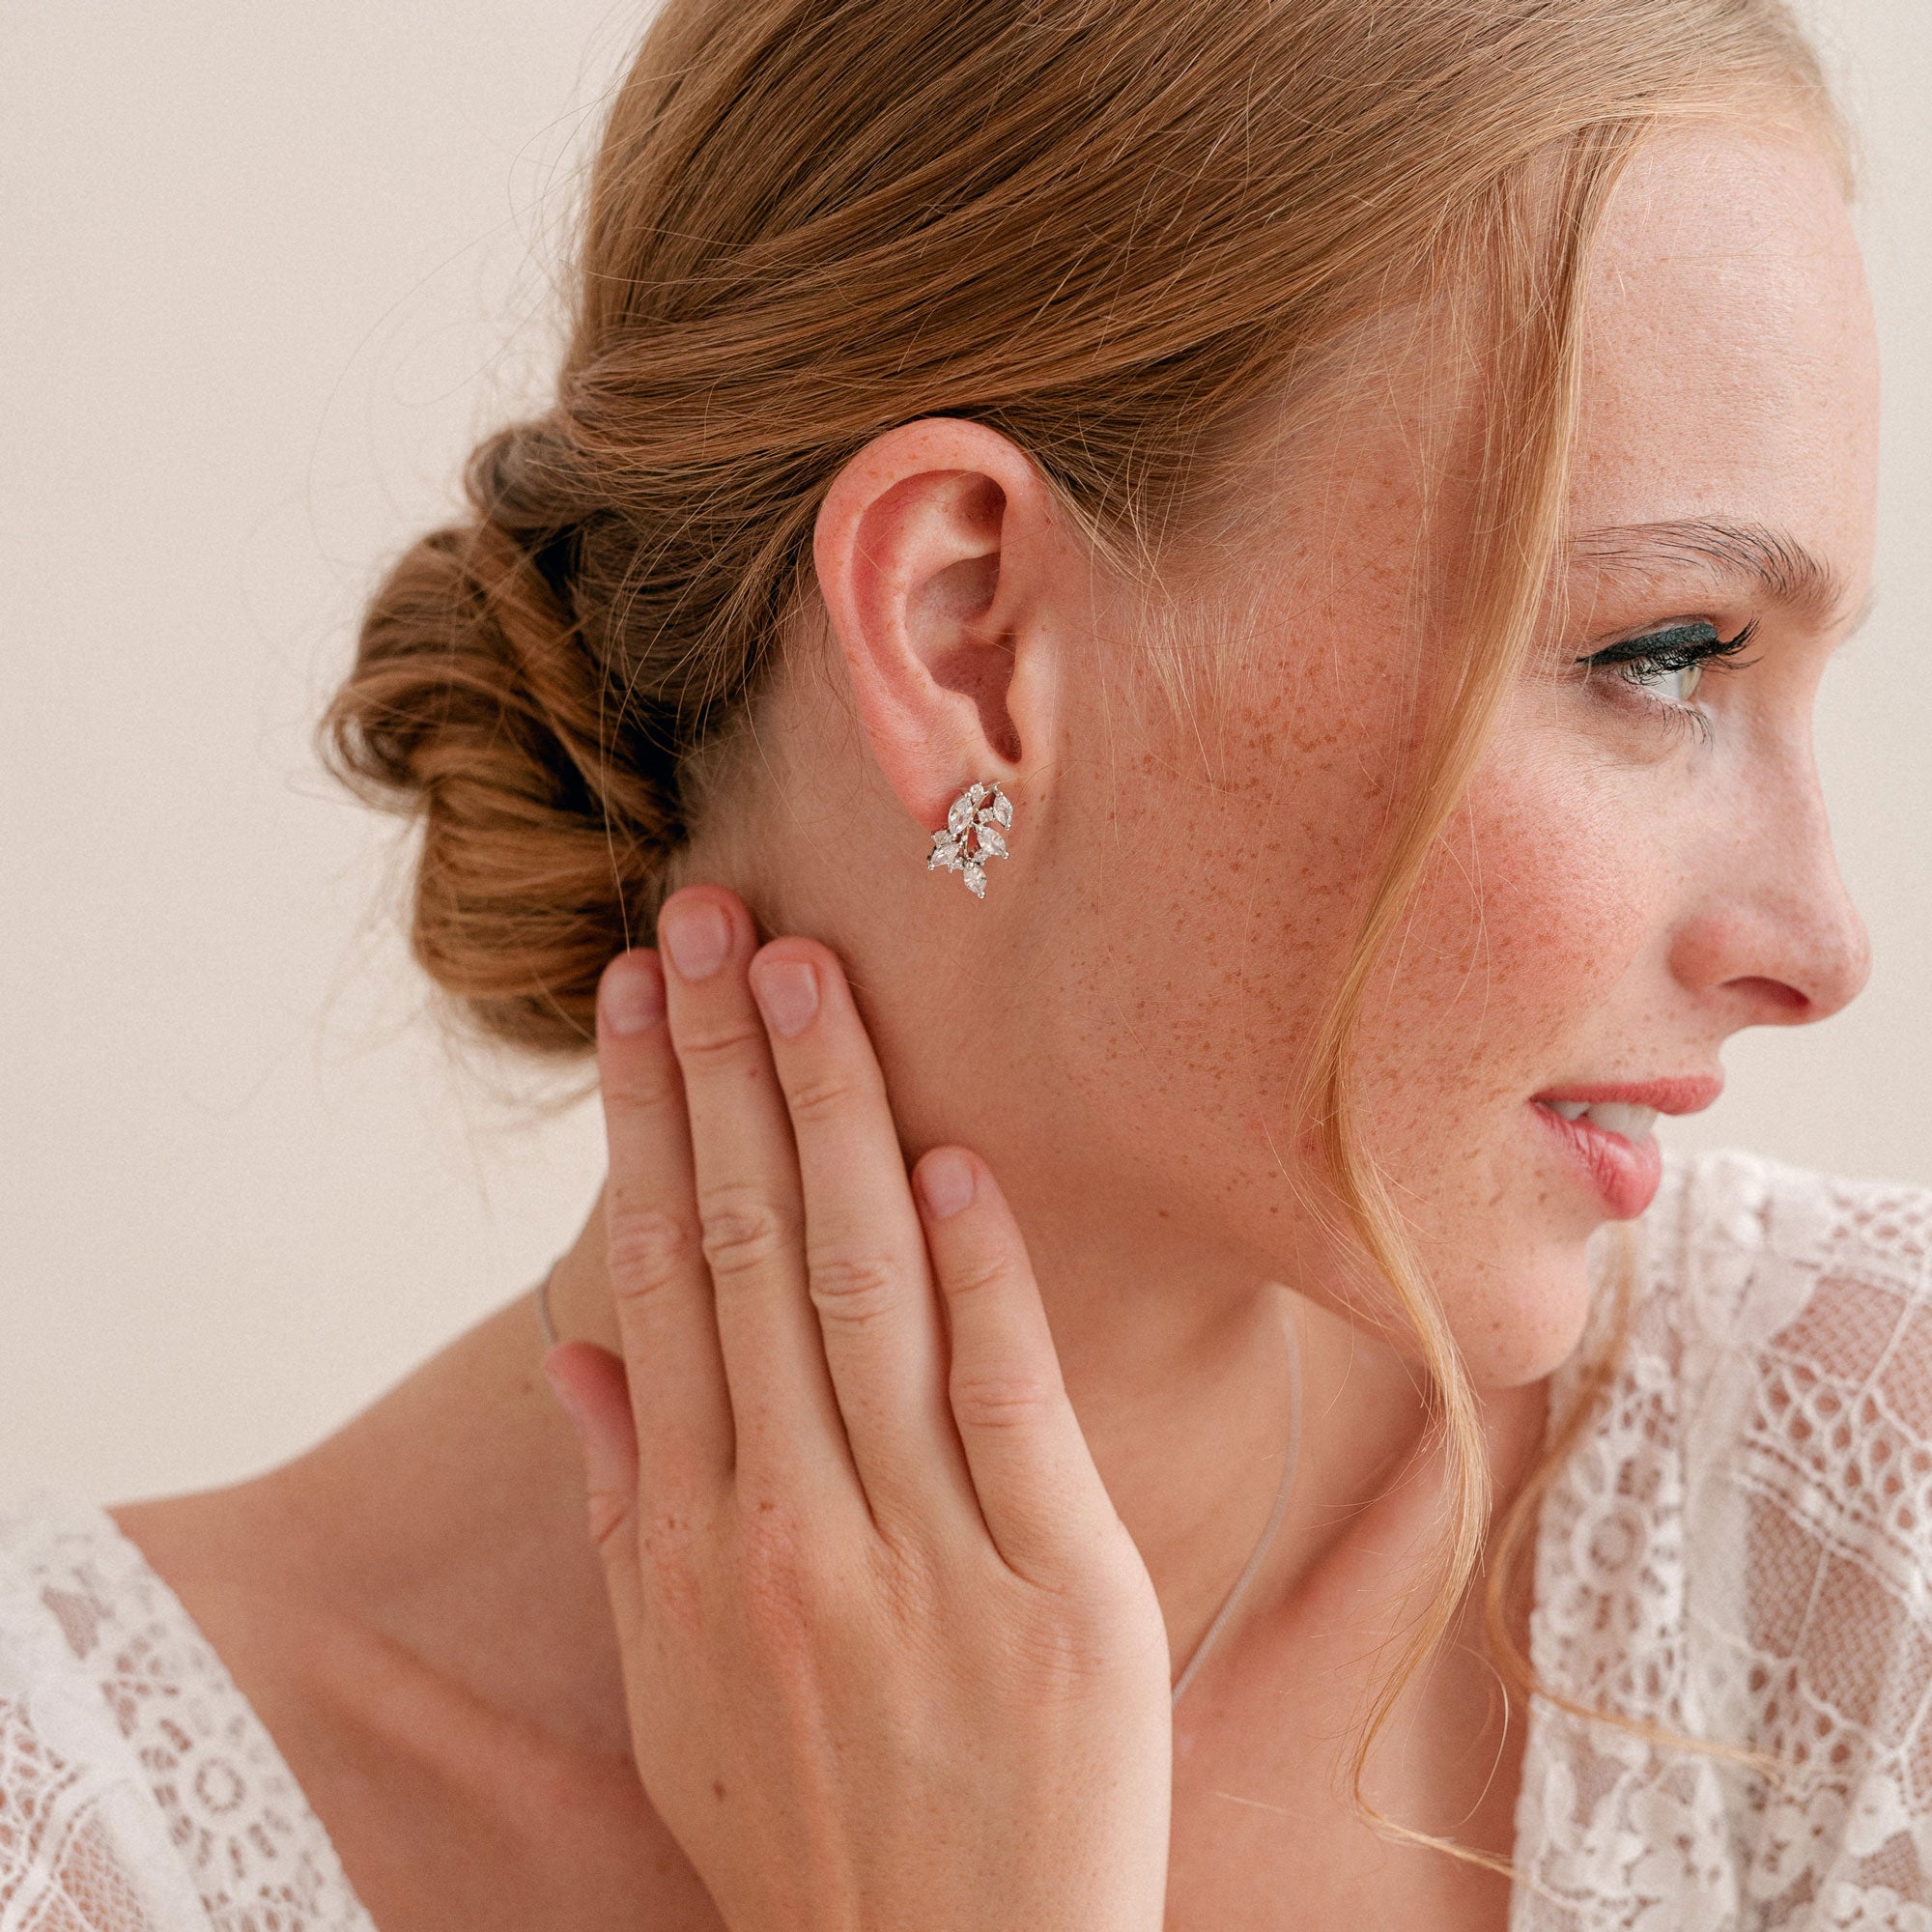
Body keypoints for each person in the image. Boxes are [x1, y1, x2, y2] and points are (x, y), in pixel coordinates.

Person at [3, 0, 1926, 1926]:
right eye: (1662, 654)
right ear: (968, 637)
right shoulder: (74, 1845)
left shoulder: (1865, 1538)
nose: (1819, 943)